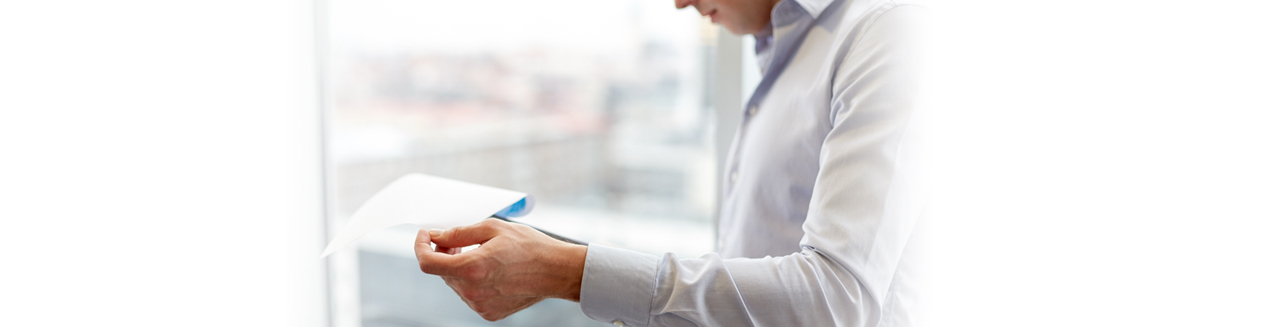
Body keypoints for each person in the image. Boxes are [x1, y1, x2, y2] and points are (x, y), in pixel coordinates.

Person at [413, 0, 928, 325]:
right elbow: (754, 285)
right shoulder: (784, 54)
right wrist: (547, 259)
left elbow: (834, 301)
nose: (680, 2)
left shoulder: (883, 33)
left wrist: (562, 271)